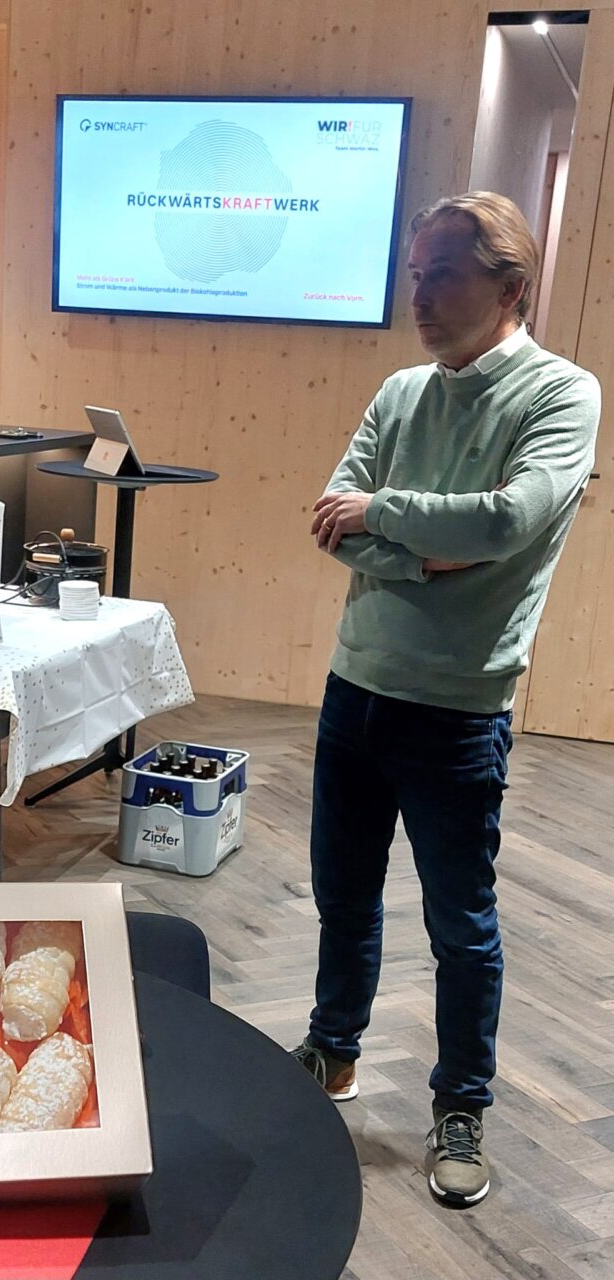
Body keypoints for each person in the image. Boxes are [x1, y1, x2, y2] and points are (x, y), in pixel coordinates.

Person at [294, 191, 601, 1208]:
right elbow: (331, 520)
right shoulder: (399, 391)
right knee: (342, 895)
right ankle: (332, 1049)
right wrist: (428, 553)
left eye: (442, 274)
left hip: (459, 710)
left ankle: (460, 1104)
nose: (419, 296)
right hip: (355, 687)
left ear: (509, 287)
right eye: (414, 273)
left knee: (460, 926)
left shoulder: (562, 394)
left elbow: (508, 520)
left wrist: (384, 513)